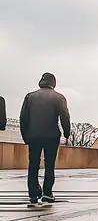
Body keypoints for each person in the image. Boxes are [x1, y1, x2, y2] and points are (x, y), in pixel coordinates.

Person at [20, 73, 71, 208]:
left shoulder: (30, 97)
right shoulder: (59, 97)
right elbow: (65, 117)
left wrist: (26, 136)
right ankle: (47, 192)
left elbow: (23, 118)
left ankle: (33, 194)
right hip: (51, 136)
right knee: (49, 165)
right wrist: (67, 133)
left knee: (33, 165)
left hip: (33, 136)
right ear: (53, 83)